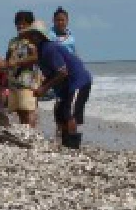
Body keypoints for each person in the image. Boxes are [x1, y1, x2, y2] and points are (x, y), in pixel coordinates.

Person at [23, 19, 92, 149]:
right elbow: (51, 74)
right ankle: (65, 143)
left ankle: (73, 146)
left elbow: (62, 72)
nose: (30, 38)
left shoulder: (50, 48)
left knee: (70, 113)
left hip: (78, 82)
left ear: (39, 36)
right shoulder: (41, 52)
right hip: (67, 85)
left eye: (32, 35)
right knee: (60, 112)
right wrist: (41, 87)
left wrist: (44, 88)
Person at [0, 10, 40, 127]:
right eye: (18, 23)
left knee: (28, 109)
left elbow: (36, 57)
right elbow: (7, 60)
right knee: (19, 109)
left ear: (30, 24)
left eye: (24, 23)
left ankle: (31, 132)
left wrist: (17, 62)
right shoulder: (13, 41)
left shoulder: (32, 40)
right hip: (14, 80)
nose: (20, 26)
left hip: (28, 81)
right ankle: (25, 131)